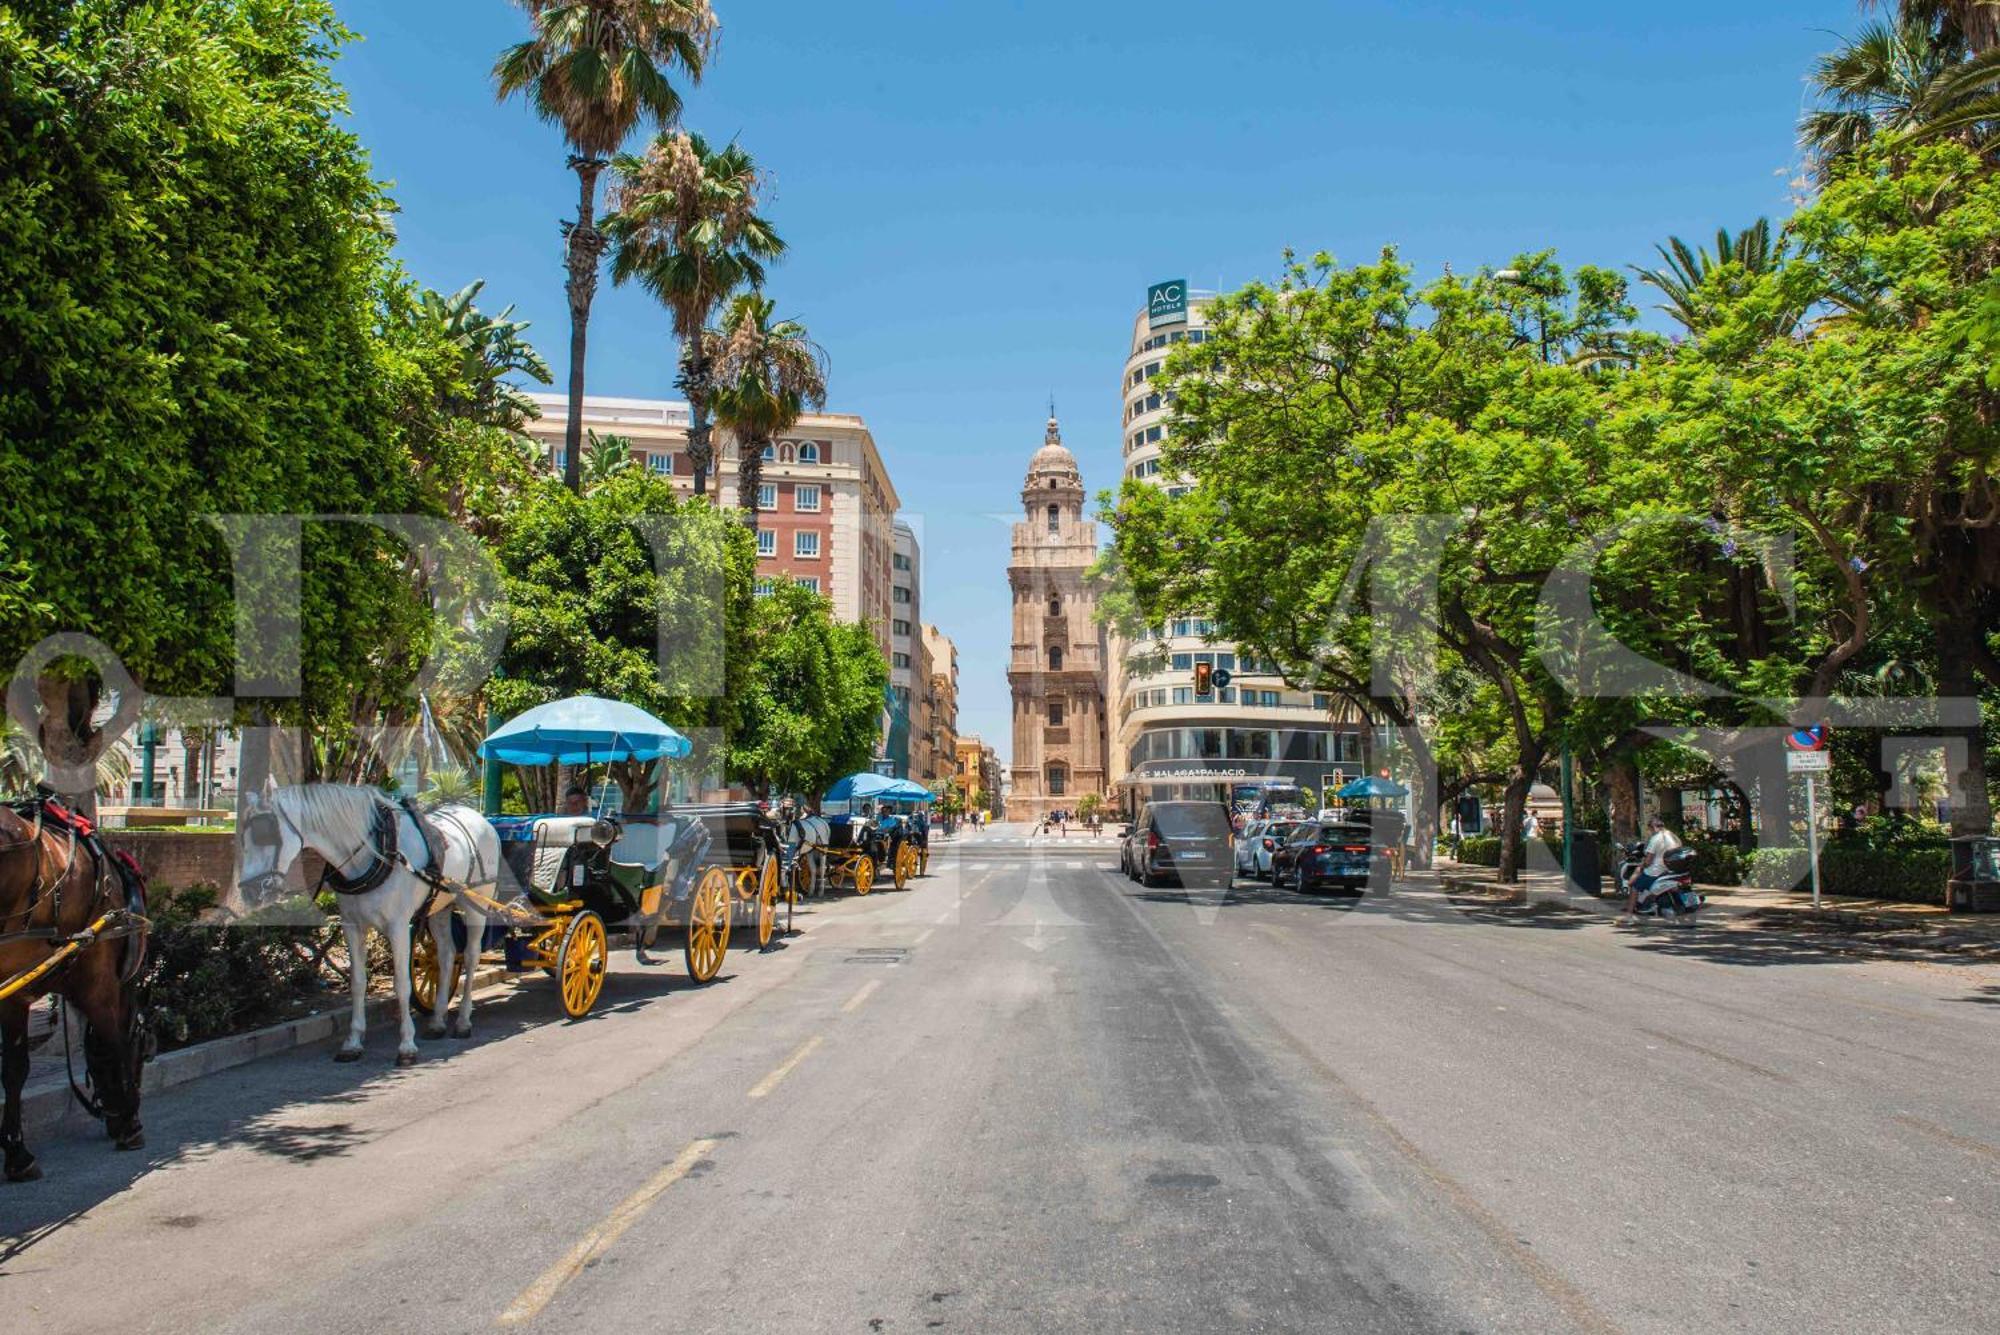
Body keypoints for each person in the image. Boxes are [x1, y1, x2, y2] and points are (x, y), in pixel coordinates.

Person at [1620, 815, 1683, 924]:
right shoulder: (1672, 836)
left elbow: (1648, 861)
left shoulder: (1656, 838)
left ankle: (1628, 916)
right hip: (1672, 870)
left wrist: (1641, 866)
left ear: (1652, 827)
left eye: (1649, 828)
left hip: (1656, 870)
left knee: (1635, 887)